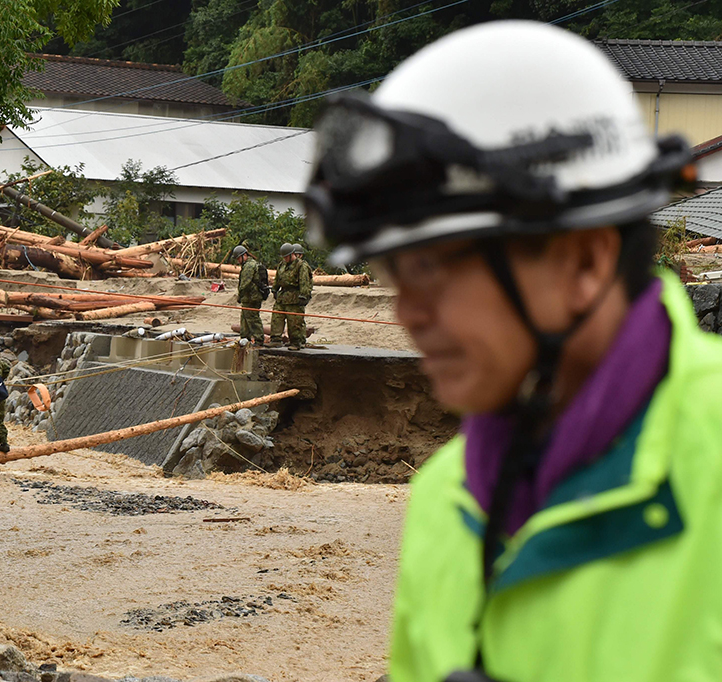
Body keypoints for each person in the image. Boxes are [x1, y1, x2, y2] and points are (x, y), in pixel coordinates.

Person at [305, 20, 714, 682]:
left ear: (583, 261)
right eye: (391, 273)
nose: (406, 312)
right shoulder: (448, 499)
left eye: (433, 267)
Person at [271, 243, 313, 349]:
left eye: (286, 256)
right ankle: (275, 339)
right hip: (282, 296)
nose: (285, 259)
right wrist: (274, 289)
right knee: (276, 317)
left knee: (294, 322)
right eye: (283, 257)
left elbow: (305, 282)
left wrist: (304, 295)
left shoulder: (301, 266)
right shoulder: (282, 265)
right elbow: (277, 278)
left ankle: (296, 342)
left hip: (295, 297)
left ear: (292, 254)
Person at [233, 244, 266, 345]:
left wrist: (240, 295)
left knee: (252, 318)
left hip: (252, 297)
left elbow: (245, 283)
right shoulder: (248, 265)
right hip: (248, 297)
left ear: (244, 255)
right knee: (245, 318)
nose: (238, 260)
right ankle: (245, 338)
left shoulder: (249, 266)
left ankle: (259, 339)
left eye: (239, 258)